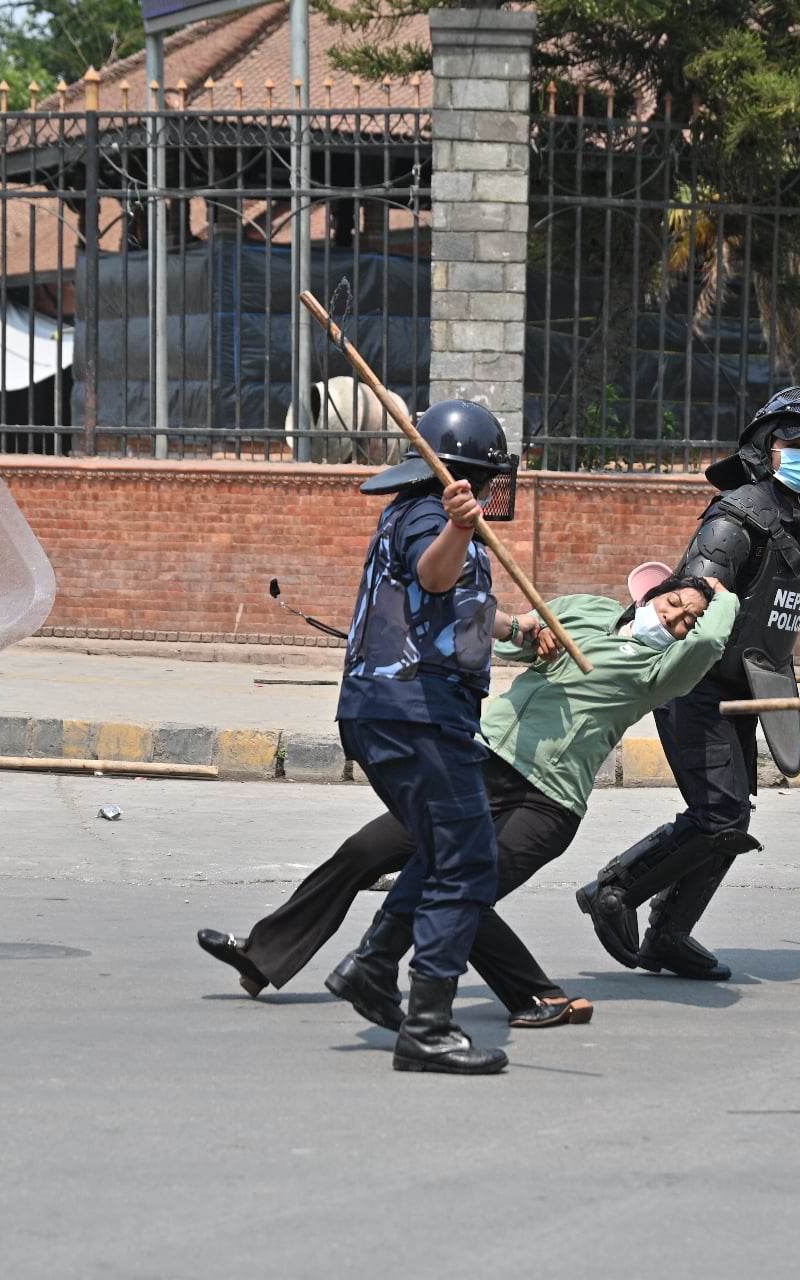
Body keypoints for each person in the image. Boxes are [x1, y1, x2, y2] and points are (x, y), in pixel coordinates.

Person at [199, 563, 739, 1028]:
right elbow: (503, 638)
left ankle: (534, 996)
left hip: (547, 801)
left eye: (686, 619)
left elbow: (713, 641)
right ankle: (262, 955)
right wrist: (527, 634)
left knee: (462, 893)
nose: (675, 619)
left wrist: (722, 594)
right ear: (648, 594)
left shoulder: (663, 671)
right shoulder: (588, 612)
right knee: (366, 850)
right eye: (672, 603)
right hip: (479, 766)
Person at [576, 386, 800, 982]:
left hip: (747, 693)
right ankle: (615, 889)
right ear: (765, 448)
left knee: (729, 821)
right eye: (794, 444)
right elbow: (696, 601)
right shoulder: (736, 517)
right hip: (697, 687)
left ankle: (668, 936)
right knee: (721, 815)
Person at [316, 398, 524, 1075]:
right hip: (415, 715)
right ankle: (428, 1025)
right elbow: (434, 573)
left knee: (441, 850)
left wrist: (516, 628)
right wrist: (459, 528)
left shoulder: (426, 514)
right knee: (468, 861)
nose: (496, 491)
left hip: (400, 712)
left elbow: (453, 607)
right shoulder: (433, 516)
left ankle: (374, 967)